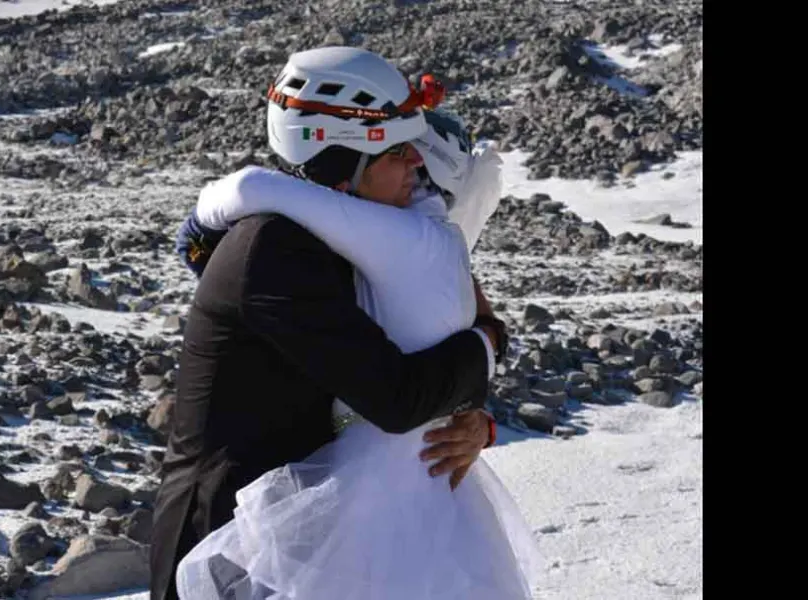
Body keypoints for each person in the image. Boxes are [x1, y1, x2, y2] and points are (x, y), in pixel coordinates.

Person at [167, 50, 542, 599]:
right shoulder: (275, 249)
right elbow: (393, 396)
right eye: (396, 151)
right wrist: (488, 341)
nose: (416, 165)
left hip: (312, 532)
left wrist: (471, 421)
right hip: (235, 542)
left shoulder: (334, 235)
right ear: (342, 163)